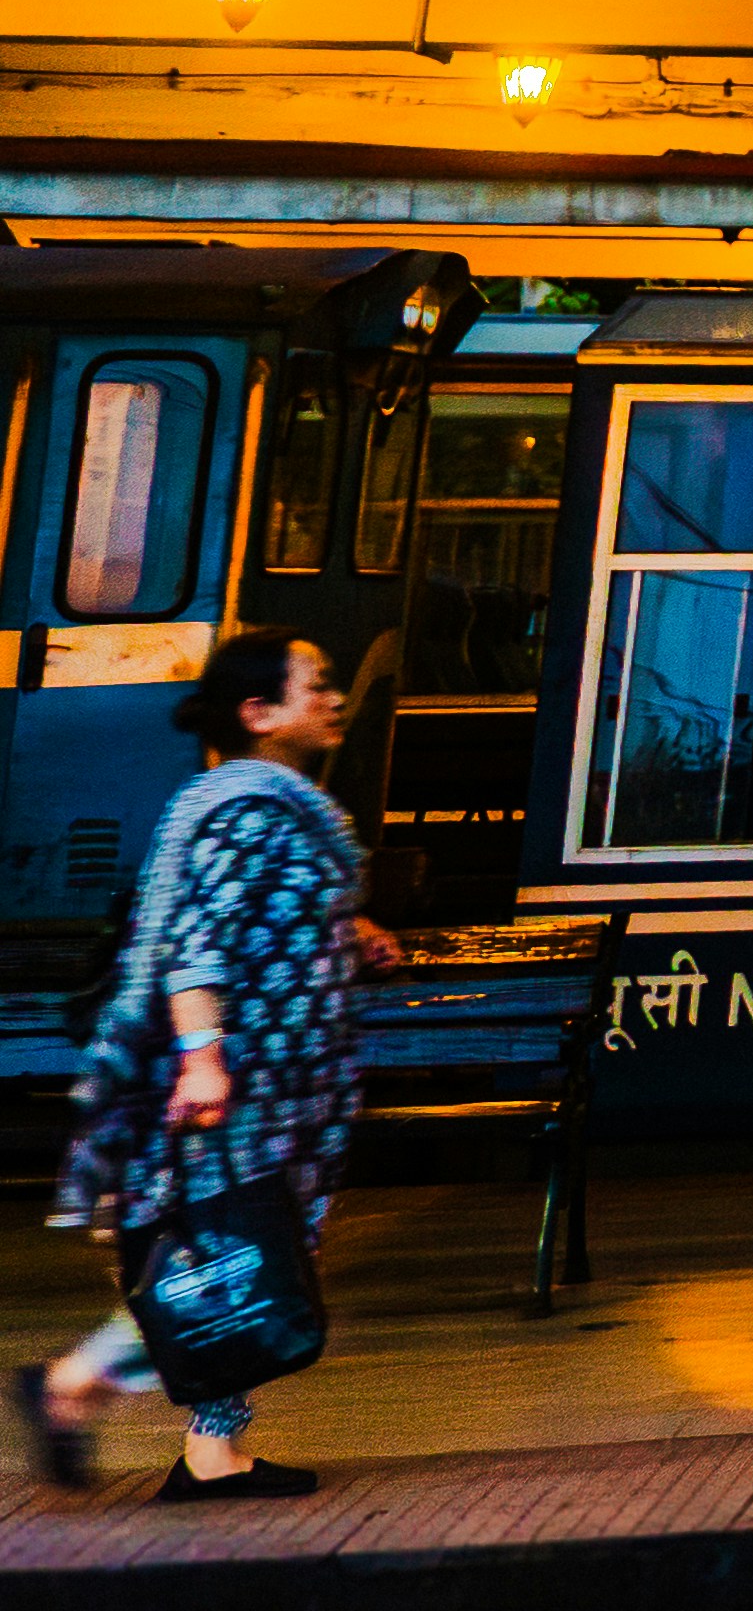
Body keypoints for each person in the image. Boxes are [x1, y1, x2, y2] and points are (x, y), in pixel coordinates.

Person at [29, 631, 377, 1503]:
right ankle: (82, 1389)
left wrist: (351, 936)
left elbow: (271, 918)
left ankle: (205, 1446)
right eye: (318, 685)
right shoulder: (245, 807)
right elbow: (194, 942)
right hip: (241, 1086)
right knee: (238, 1256)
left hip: (286, 1085)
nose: (335, 699)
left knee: (250, 1258)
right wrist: (203, 1058)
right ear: (259, 714)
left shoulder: (282, 803)